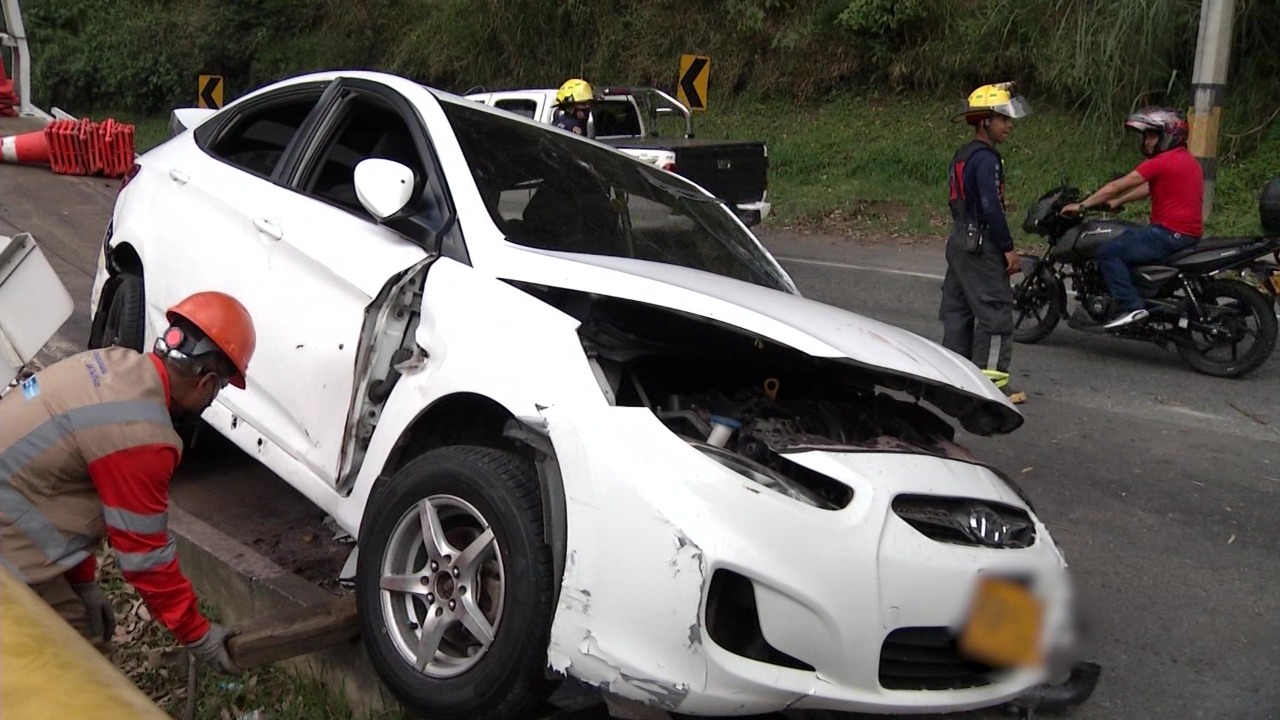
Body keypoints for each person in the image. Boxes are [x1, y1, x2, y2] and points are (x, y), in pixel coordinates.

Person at [0, 290, 256, 675]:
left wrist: (82, 582)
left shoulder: (105, 364)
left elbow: (59, 487)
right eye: (219, 389)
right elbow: (145, 557)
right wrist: (197, 634)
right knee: (81, 674)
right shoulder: (143, 436)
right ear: (206, 381)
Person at [1062, 108, 1203, 329]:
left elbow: (1118, 185)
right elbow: (1147, 188)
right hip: (1184, 234)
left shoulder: (1162, 161)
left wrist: (1082, 205)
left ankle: (1132, 306)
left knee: (1108, 252)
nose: (1147, 142)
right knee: (1128, 237)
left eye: (1152, 135)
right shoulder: (1186, 160)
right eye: (1146, 136)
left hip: (1168, 233)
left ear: (1169, 135)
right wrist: (1118, 202)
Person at [939, 82, 1032, 404]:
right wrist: (1007, 247)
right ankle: (991, 384)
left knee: (958, 310)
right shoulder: (987, 158)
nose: (1009, 126)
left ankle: (953, 379)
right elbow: (991, 207)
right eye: (1003, 119)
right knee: (994, 312)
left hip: (959, 241)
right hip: (981, 243)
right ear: (984, 122)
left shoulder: (963, 155)